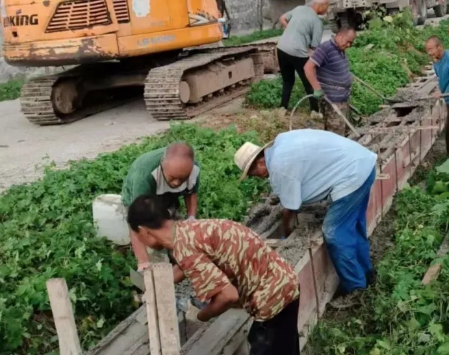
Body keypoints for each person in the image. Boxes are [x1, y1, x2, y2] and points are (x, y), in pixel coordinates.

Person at [127, 195, 300, 355]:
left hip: (272, 299)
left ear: (143, 231)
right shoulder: (188, 229)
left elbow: (229, 296)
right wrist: (158, 287)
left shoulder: (183, 248)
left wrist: (200, 315)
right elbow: (188, 264)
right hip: (286, 281)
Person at [235, 129, 377, 296]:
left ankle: (355, 288)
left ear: (259, 163)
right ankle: (367, 273)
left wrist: (286, 235)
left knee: (334, 233)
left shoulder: (280, 167)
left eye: (253, 174)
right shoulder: (281, 142)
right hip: (364, 164)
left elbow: (290, 208)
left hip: (351, 177)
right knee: (353, 225)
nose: (257, 178)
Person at [121, 143, 200, 276]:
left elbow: (191, 193)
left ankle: (175, 258)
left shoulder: (193, 169)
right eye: (173, 178)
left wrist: (191, 219)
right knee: (156, 251)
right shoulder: (144, 176)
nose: (176, 183)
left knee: (183, 244)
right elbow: (136, 222)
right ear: (163, 165)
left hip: (168, 199)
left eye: (182, 178)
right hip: (140, 200)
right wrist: (143, 262)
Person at [277, 0, 330, 117]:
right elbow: (314, 47)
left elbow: (282, 18)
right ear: (320, 6)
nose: (327, 11)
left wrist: (290, 29)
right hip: (298, 52)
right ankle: (315, 111)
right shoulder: (317, 22)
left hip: (281, 48)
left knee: (287, 80)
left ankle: (283, 108)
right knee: (309, 81)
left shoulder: (299, 9)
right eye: (326, 8)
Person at [303, 26, 356, 135]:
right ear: (340, 36)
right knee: (335, 135)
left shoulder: (339, 49)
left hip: (342, 99)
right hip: (332, 100)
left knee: (345, 133)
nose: (349, 45)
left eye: (351, 43)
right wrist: (317, 88)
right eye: (348, 42)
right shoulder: (325, 48)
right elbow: (308, 68)